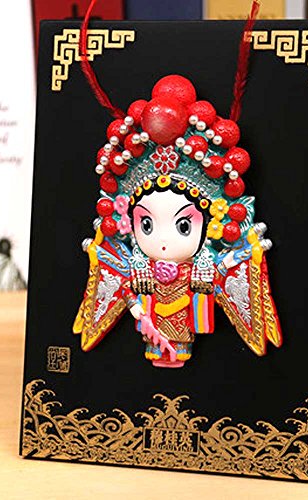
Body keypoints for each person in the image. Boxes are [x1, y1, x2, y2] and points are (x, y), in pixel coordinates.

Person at [73, 75, 282, 368]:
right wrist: (134, 302)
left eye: (184, 226)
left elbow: (233, 264)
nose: (162, 240)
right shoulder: (135, 265)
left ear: (210, 225)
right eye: (146, 225)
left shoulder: (204, 267)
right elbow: (124, 289)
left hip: (185, 327)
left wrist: (241, 255)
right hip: (150, 327)